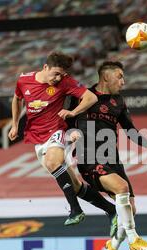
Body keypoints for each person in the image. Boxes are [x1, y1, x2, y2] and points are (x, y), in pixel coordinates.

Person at [67, 61, 147, 250]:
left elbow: (130, 130)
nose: (123, 81)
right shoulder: (81, 96)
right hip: (89, 157)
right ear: (105, 78)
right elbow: (65, 121)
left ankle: (113, 245)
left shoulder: (118, 101)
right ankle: (134, 238)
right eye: (119, 76)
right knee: (121, 188)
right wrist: (69, 135)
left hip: (112, 159)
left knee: (130, 209)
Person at [9, 51, 117, 235]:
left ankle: (75, 210)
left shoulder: (65, 82)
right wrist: (14, 124)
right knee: (74, 186)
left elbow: (91, 98)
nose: (58, 78)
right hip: (37, 137)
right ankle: (111, 210)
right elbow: (17, 99)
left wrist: (73, 112)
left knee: (53, 162)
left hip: (57, 130)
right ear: (45, 67)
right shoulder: (24, 80)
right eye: (55, 74)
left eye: (61, 74)